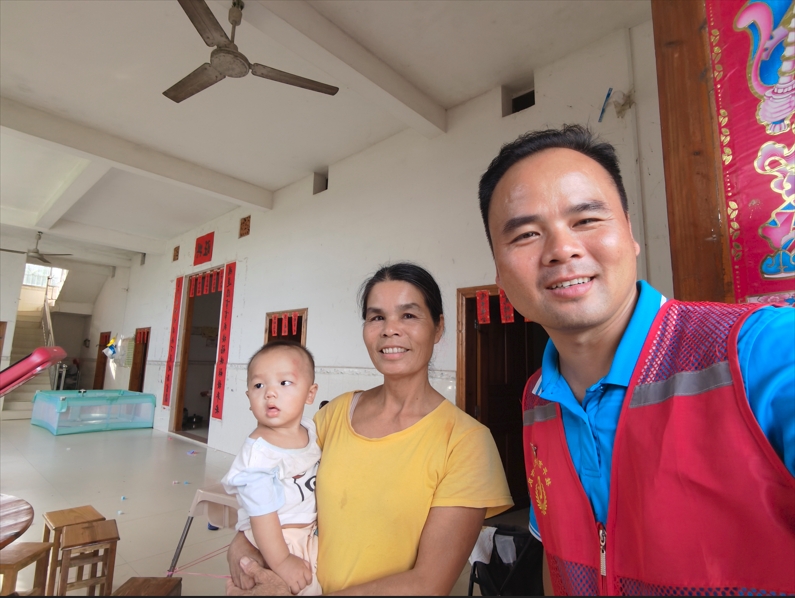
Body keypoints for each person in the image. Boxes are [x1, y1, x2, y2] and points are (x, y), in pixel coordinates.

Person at [478, 124, 795, 595]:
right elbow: (555, 557)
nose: (562, 249)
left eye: (586, 220)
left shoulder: (761, 350)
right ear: (500, 276)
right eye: (526, 234)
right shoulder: (536, 398)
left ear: (630, 235)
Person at [227, 263, 513, 595]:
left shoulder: (466, 442)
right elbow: (276, 485)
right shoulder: (334, 415)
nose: (390, 329)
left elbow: (428, 584)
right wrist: (243, 543)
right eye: (377, 317)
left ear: (438, 328)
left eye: (408, 315)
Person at [222, 341, 322, 595]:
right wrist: (282, 562)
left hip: (308, 533)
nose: (270, 393)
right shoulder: (259, 456)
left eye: (284, 382)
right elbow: (262, 517)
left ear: (310, 394)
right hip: (275, 542)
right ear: (249, 397)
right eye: (259, 385)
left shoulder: (310, 430)